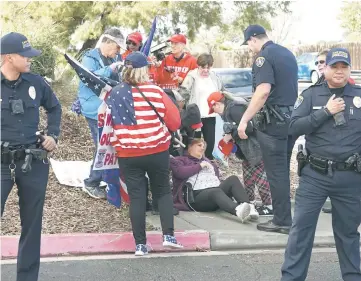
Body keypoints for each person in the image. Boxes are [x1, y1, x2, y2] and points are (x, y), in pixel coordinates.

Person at [281, 48, 361, 281]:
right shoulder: (311, 95)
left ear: (349, 69)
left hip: (350, 178)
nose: (339, 71)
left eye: (343, 67)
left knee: (348, 234)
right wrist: (325, 112)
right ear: (325, 69)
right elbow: (293, 128)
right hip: (315, 176)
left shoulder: (358, 95)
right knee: (301, 232)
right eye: (334, 67)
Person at [107, 51, 183, 256]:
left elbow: (109, 123)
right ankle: (169, 236)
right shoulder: (156, 92)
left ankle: (140, 244)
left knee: (137, 197)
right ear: (144, 70)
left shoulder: (114, 93)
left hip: (128, 153)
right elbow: (175, 122)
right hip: (156, 149)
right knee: (163, 191)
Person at [1, 32, 62, 281]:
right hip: (1, 163)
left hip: (32, 163)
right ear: (8, 57)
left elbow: (55, 107)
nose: (29, 60)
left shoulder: (36, 82)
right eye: (24, 56)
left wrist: (53, 136)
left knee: (32, 224)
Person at [237, 25, 298, 234]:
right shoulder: (287, 53)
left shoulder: (263, 57)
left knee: (276, 173)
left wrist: (244, 119)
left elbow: (263, 91)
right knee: (282, 172)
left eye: (248, 44)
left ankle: (282, 221)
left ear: (254, 39)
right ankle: (285, 217)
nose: (249, 48)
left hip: (273, 123)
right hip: (290, 119)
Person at [207, 91, 273, 216]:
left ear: (217, 104)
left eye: (213, 108)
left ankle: (269, 205)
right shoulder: (227, 112)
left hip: (255, 148)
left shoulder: (234, 109)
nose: (215, 111)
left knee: (260, 178)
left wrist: (230, 135)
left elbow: (248, 128)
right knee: (248, 177)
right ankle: (249, 202)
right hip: (245, 151)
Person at [77, 27, 124, 199]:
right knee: (102, 145)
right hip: (94, 108)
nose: (118, 52)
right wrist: (110, 69)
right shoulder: (90, 57)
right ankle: (91, 182)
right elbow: (89, 76)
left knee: (110, 145)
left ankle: (106, 178)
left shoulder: (115, 57)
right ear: (108, 42)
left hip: (110, 107)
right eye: (117, 47)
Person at [170, 138, 258, 222]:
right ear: (190, 147)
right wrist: (199, 166)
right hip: (195, 198)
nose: (202, 148)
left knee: (233, 179)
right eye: (199, 145)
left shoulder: (208, 162)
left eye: (203, 146)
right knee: (215, 191)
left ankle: (249, 208)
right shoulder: (179, 160)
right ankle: (238, 211)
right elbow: (180, 173)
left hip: (213, 195)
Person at [180, 53, 225, 160]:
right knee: (194, 143)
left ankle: (208, 163)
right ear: (198, 66)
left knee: (209, 143)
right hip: (195, 116)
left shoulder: (214, 77)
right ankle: (192, 163)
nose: (205, 70)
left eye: (208, 67)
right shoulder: (192, 76)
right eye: (202, 67)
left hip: (210, 115)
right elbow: (183, 94)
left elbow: (222, 92)